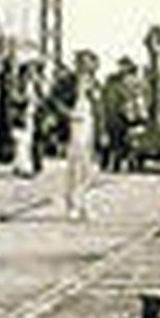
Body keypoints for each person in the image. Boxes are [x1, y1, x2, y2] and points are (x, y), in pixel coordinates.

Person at [65, 54, 99, 219]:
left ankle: (86, 204)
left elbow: (99, 107)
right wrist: (67, 113)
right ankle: (73, 205)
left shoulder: (95, 83)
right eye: (84, 64)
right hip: (75, 123)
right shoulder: (68, 81)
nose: (88, 67)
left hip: (89, 123)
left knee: (88, 168)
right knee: (75, 166)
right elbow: (54, 100)